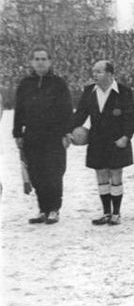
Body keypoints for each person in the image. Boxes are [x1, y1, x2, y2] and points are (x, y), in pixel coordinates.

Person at [69, 60, 134, 225]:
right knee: (101, 175)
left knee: (115, 174)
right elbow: (80, 115)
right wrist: (68, 130)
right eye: (94, 71)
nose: (95, 75)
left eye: (99, 71)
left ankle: (116, 213)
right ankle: (106, 212)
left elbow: (131, 118)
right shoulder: (89, 91)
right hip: (97, 141)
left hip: (117, 140)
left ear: (110, 74)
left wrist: (126, 137)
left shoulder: (124, 91)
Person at [12, 46, 73, 224]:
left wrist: (66, 132)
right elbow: (19, 110)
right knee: (36, 173)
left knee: (53, 172)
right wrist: (18, 133)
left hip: (54, 135)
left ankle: (54, 209)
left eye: (43, 59)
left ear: (50, 61)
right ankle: (43, 209)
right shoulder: (25, 84)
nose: (40, 62)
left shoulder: (58, 83)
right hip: (32, 135)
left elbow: (67, 110)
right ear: (31, 62)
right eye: (36, 59)